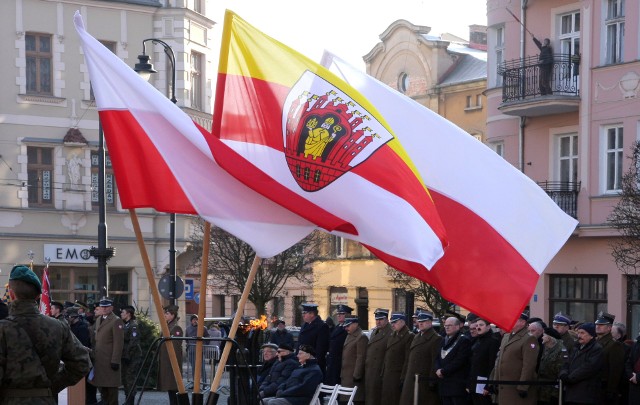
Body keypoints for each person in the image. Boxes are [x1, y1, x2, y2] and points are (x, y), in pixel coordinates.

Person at [0, 265, 91, 403]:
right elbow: (82, 363)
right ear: (38, 296)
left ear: (11, 294)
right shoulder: (59, 327)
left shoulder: (3, 329)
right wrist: (51, 386)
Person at [492, 310, 539, 404]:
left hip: (516, 386)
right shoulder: (506, 336)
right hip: (504, 385)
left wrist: (523, 386)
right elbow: (500, 361)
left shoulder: (529, 338)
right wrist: (495, 381)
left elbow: (529, 365)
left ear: (523, 322)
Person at [399, 311, 441, 405]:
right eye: (419, 321)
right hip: (411, 378)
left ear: (430, 322)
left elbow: (434, 361)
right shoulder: (416, 336)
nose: (420, 323)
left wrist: (432, 381)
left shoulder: (435, 338)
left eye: (424, 321)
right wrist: (404, 377)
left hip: (423, 380)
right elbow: (409, 358)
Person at [559, 322, 604, 405]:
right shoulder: (576, 347)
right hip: (572, 393)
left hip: (585, 394)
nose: (579, 335)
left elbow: (589, 368)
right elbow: (566, 362)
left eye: (582, 333)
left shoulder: (596, 349)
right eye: (578, 333)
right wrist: (563, 374)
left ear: (591, 335)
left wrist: (570, 378)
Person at [90, 298, 124, 405]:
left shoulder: (116, 320)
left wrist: (115, 360)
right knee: (103, 390)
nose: (104, 309)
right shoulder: (99, 319)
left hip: (110, 360)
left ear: (111, 308)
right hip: (100, 360)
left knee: (111, 390)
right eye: (102, 306)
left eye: (106, 306)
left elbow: (118, 343)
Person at [434, 316, 472, 405]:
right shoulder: (444, 340)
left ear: (457, 326)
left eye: (450, 325)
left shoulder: (463, 340)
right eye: (445, 325)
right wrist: (437, 369)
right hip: (443, 382)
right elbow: (437, 357)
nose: (446, 327)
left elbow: (460, 360)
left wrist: (443, 371)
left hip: (456, 383)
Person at [380, 312, 414, 404]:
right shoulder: (393, 335)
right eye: (392, 322)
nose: (392, 324)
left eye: (395, 322)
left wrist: (403, 377)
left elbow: (407, 359)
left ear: (402, 322)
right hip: (388, 374)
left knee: (395, 399)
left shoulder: (408, 336)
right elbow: (387, 355)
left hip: (397, 375)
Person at [595, 312, 625, 404]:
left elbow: (615, 370)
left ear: (609, 328)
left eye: (601, 325)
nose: (598, 326)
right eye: (597, 324)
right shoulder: (595, 342)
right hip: (593, 386)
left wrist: (611, 390)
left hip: (604, 388)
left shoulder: (614, 345)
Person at [468, 317, 500, 405]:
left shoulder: (493, 341)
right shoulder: (477, 340)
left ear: (488, 327)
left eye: (481, 325)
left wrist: (488, 385)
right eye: (477, 325)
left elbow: (492, 365)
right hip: (474, 380)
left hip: (484, 381)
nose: (478, 327)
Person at [364, 308, 393, 405]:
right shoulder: (374, 331)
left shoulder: (391, 332)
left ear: (386, 319)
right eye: (377, 319)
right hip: (370, 370)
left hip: (379, 371)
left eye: (381, 319)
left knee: (376, 399)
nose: (378, 322)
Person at [157, 304, 184, 405]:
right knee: (170, 388)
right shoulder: (167, 326)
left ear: (173, 315)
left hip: (171, 363)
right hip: (166, 362)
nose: (165, 315)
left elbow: (176, 348)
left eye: (167, 313)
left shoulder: (176, 328)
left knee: (174, 388)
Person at [295, 303, 330, 376]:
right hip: (302, 360)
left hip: (313, 363)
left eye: (305, 313)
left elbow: (321, 348)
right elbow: (299, 343)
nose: (303, 315)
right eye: (302, 313)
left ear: (312, 314)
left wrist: (315, 361)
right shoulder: (305, 325)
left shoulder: (321, 326)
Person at [340, 316, 368, 405]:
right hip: (346, 377)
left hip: (354, 379)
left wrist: (357, 375)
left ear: (355, 324)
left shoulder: (361, 337)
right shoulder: (349, 335)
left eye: (348, 326)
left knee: (355, 400)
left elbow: (361, 357)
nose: (346, 328)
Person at [537, 327, 565, 405]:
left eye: (544, 335)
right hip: (542, 388)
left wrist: (555, 393)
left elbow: (560, 372)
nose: (542, 337)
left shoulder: (561, 350)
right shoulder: (545, 348)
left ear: (549, 337)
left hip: (553, 390)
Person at [120, 305, 142, 405]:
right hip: (126, 355)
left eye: (123, 312)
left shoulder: (133, 325)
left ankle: (130, 400)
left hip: (132, 356)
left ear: (128, 314)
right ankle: (127, 398)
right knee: (125, 378)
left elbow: (133, 342)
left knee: (130, 378)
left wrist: (128, 355)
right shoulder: (126, 324)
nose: (121, 314)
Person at [325, 304, 352, 385]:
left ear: (348, 315)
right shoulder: (337, 327)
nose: (339, 315)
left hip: (340, 360)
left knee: (337, 383)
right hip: (332, 360)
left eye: (342, 314)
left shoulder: (348, 328)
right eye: (338, 314)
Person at [185, 314, 209, 389]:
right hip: (191, 351)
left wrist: (203, 345)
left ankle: (204, 384)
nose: (195, 321)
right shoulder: (188, 329)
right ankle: (195, 384)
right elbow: (186, 338)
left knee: (202, 368)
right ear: (191, 321)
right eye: (194, 320)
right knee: (193, 368)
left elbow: (208, 337)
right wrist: (189, 345)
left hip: (200, 351)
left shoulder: (203, 328)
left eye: (196, 319)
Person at [625, 325, 640, 405]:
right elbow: (628, 362)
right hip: (634, 386)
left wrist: (637, 377)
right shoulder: (636, 344)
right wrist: (631, 376)